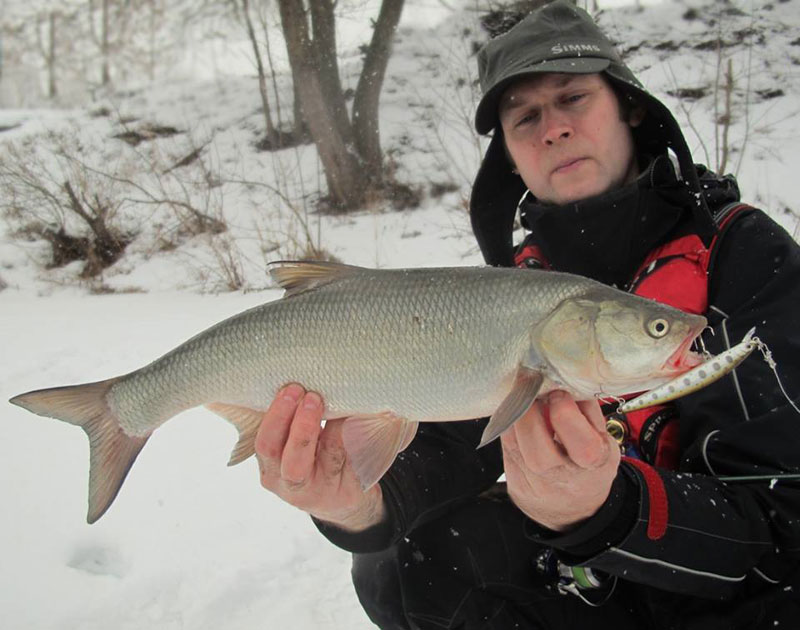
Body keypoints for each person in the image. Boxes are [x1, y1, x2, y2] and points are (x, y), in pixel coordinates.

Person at [254, 2, 800, 628]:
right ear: (510, 156)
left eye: (573, 98)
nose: (553, 129)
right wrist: (357, 505)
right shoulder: (514, 289)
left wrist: (610, 509)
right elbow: (447, 453)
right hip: (589, 586)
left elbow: (785, 526)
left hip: (727, 592)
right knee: (400, 558)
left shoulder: (747, 256)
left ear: (630, 107)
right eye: (525, 117)